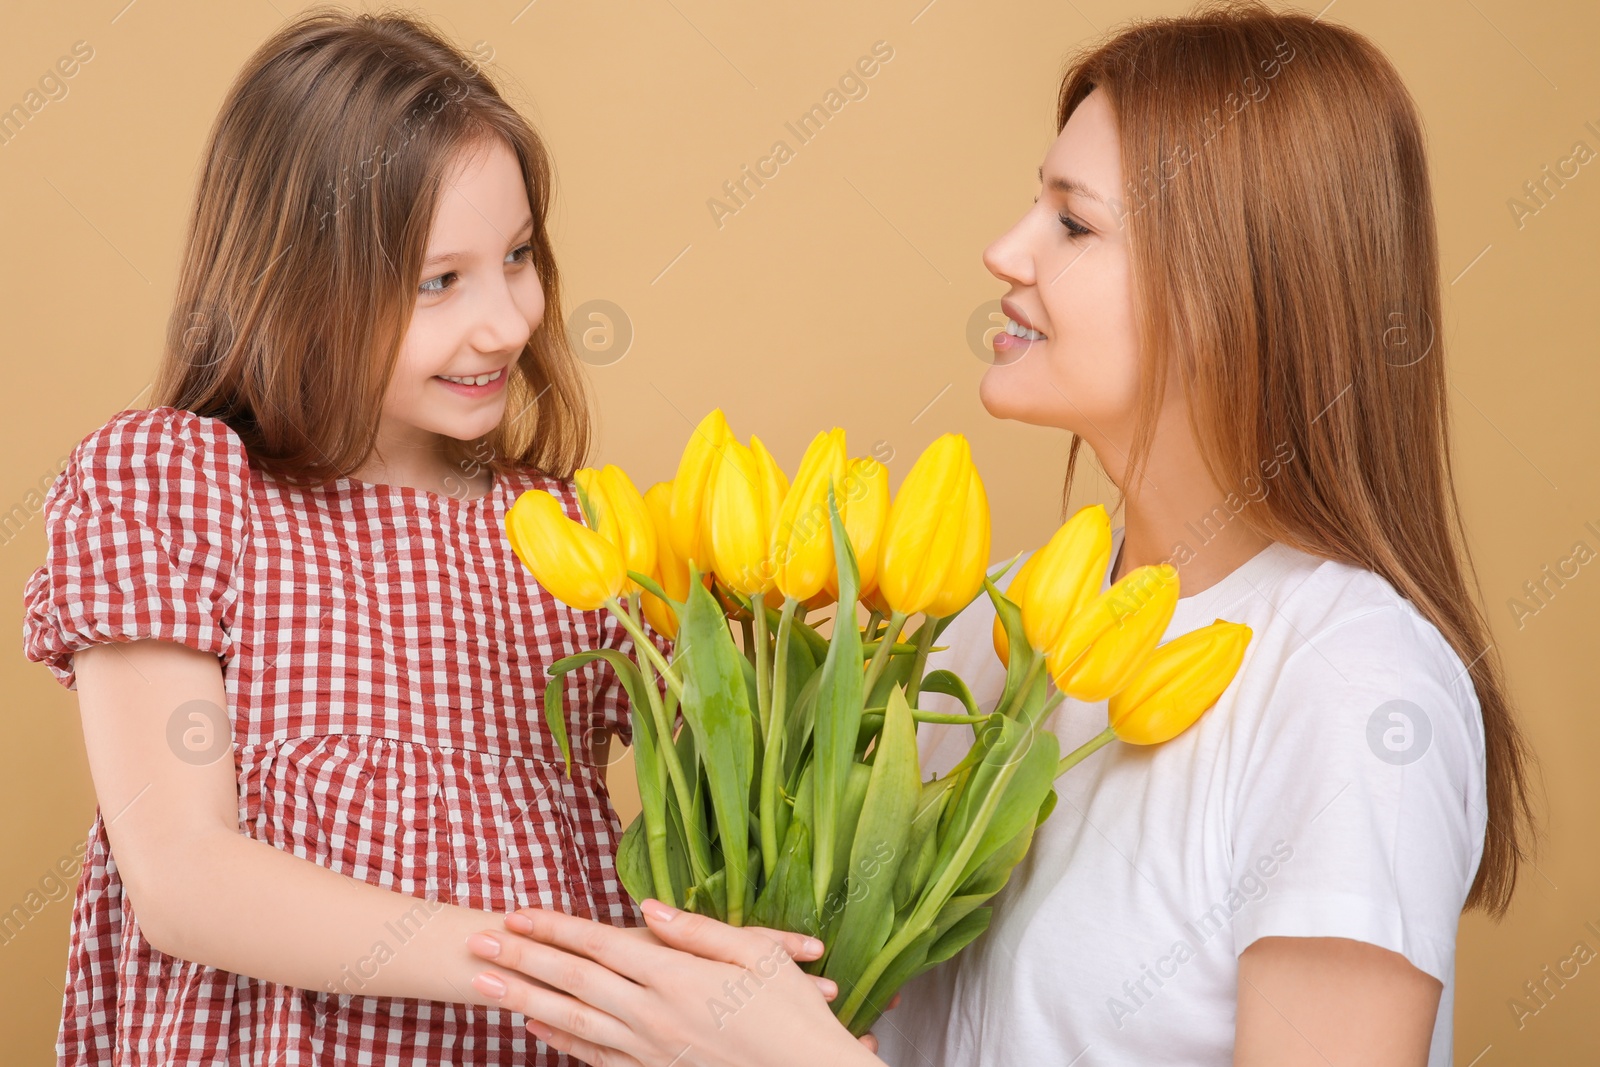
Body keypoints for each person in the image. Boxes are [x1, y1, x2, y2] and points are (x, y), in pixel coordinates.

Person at [459, 3, 1537, 1066]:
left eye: (1071, 222)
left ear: (1228, 285)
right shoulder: (983, 624)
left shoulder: (1351, 688)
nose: (1003, 250)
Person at [20, 10, 677, 1064]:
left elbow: (732, 798)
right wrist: (542, 966)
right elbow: (183, 878)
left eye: (517, 256)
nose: (505, 320)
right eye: (438, 280)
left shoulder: (569, 541)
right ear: (295, 281)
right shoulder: (180, 489)